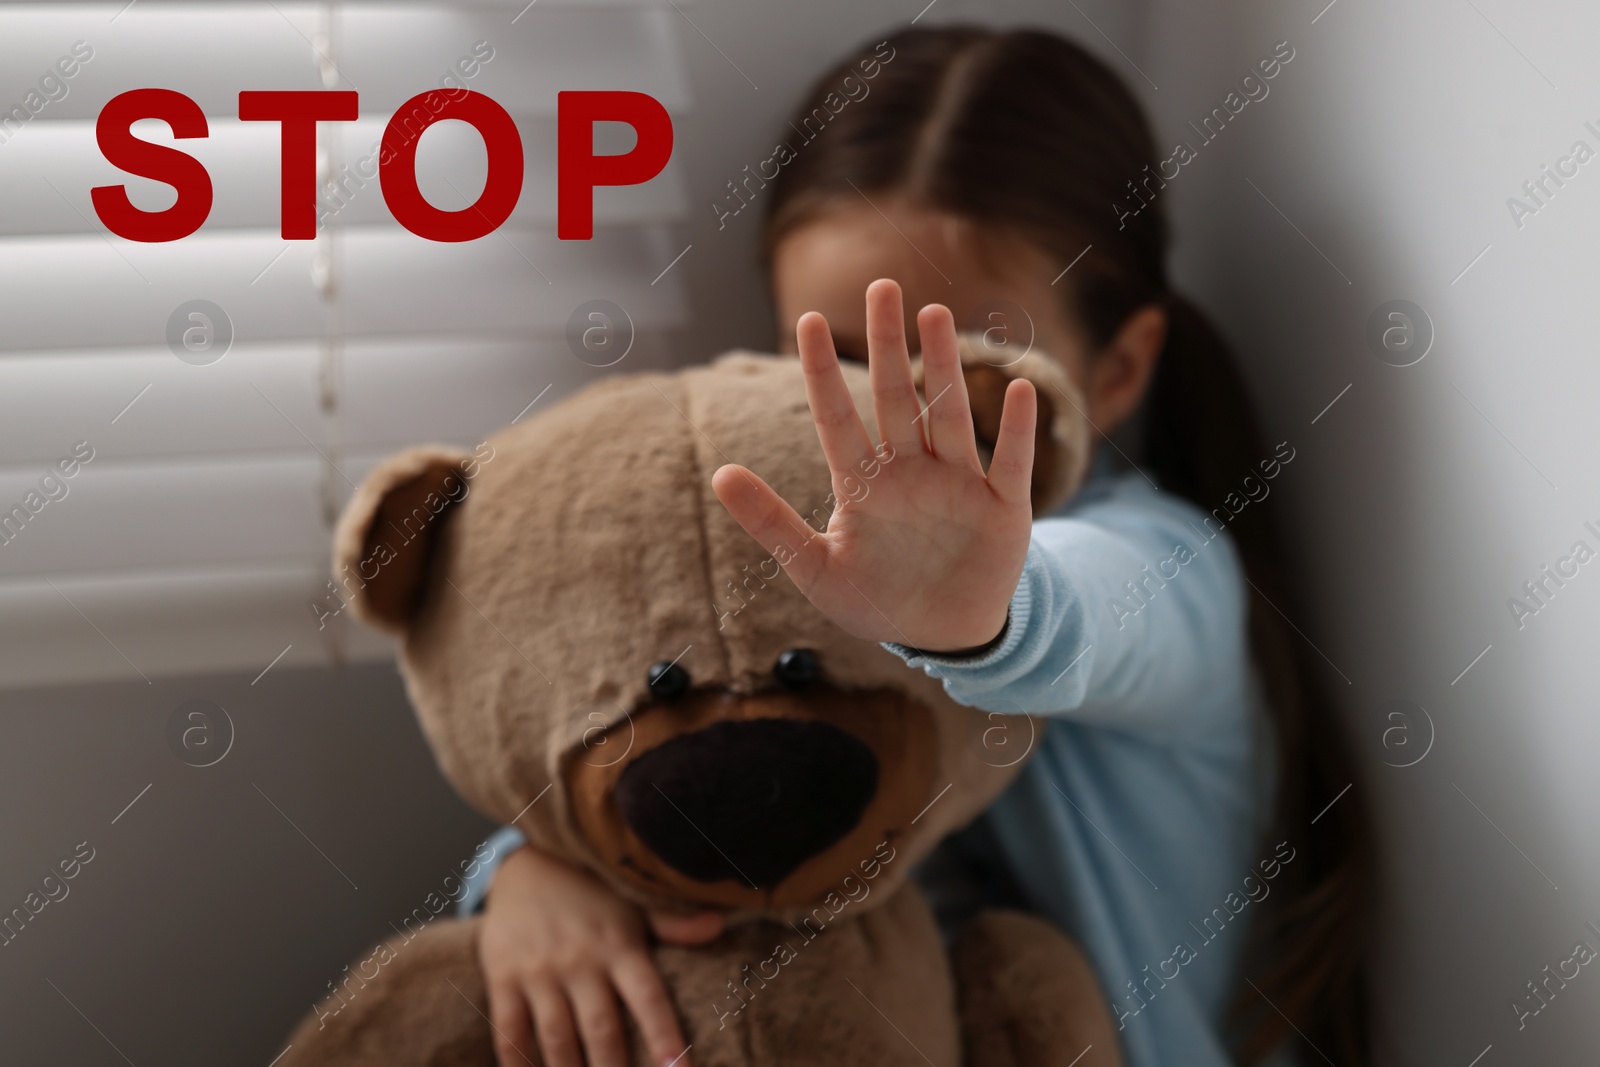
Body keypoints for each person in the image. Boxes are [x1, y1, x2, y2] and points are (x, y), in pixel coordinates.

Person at [462, 26, 1372, 1067]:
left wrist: (978, 612)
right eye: (840, 359)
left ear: (1118, 368)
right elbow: (691, 745)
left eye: (961, 362)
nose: (896, 414)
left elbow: (1089, 615)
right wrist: (534, 872)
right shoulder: (802, 561)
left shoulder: (1170, 568)